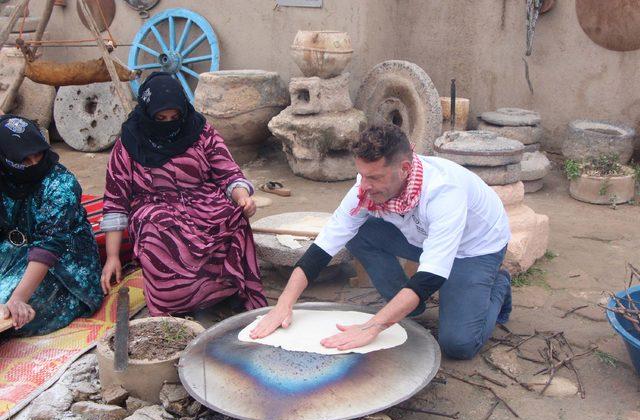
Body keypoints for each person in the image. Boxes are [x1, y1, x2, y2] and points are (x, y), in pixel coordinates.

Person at [251, 124, 512, 360]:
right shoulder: (366, 187)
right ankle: (408, 308)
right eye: (362, 174)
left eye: (374, 177)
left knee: (458, 344)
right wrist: (283, 304)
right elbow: (322, 248)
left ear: (405, 169)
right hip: (423, 237)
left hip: (474, 249)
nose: (364, 185)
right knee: (358, 233)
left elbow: (431, 275)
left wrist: (373, 326)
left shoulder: (444, 192)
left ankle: (498, 285)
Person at [100, 72, 266, 316]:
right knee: (158, 226)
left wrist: (242, 197)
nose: (169, 123)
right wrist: (112, 256)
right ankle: (176, 302)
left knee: (231, 215)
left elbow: (228, 172)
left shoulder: (200, 131)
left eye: (175, 117)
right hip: (154, 206)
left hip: (202, 200)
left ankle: (222, 293)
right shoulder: (130, 142)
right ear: (148, 114)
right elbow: (115, 202)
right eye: (161, 118)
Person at [0, 114, 103, 336]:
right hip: (12, 250)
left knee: (7, 305)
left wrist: (19, 298)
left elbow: (49, 245)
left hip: (64, 264)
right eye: (24, 160)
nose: (34, 163)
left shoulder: (60, 184)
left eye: (38, 154)